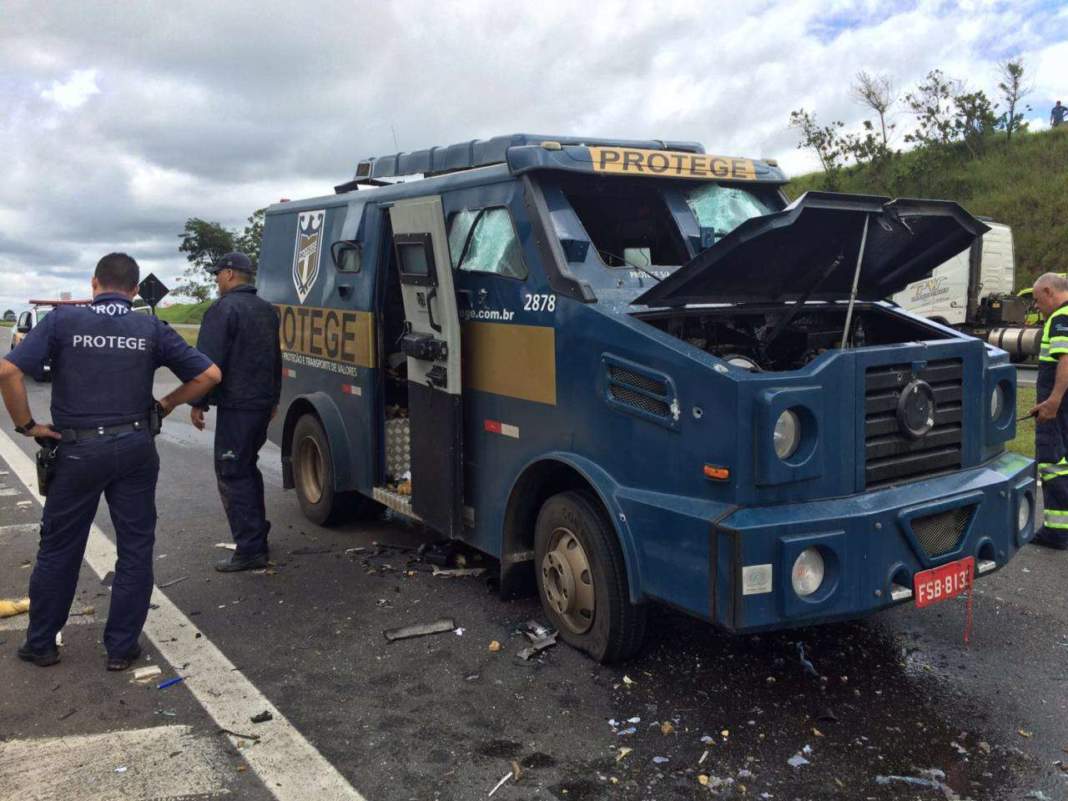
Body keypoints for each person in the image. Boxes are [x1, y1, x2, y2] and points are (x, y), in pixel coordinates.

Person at [0, 253, 221, 668]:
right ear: (135, 290)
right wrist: (167, 404)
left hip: (78, 450)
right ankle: (121, 649)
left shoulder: (64, 321)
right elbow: (209, 375)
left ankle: (42, 644)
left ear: (94, 284)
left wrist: (28, 426)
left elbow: (8, 371)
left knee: (60, 547)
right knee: (135, 548)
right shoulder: (150, 326)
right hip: (136, 446)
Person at [191, 252, 282, 572]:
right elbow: (276, 359)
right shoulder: (267, 310)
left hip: (237, 405)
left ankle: (250, 549)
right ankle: (257, 531)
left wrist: (197, 402)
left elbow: (207, 363)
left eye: (218, 274)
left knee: (232, 471)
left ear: (230, 274)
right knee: (246, 466)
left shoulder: (223, 309)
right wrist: (273, 400)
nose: (216, 280)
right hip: (260, 406)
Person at [1028, 272, 1068, 549]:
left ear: (1048, 291)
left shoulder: (1060, 318)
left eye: (1037, 300)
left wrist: (1052, 401)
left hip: (1058, 408)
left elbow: (1065, 359)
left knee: (1052, 463)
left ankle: (1057, 532)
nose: (1036, 307)